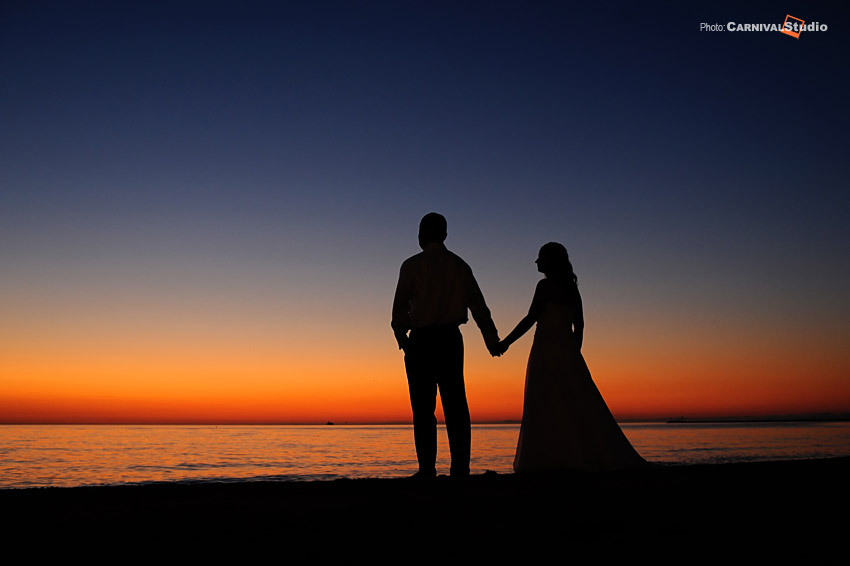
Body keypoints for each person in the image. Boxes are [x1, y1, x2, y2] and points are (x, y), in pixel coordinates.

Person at [495, 242, 646, 472]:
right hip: (568, 351)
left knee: (545, 402)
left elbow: (530, 319)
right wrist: (574, 352)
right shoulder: (572, 288)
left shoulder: (544, 286)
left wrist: (505, 342)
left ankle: (550, 459)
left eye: (540, 258)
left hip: (545, 351)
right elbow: (580, 326)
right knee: (576, 402)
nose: (536, 262)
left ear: (550, 261)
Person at [392, 212, 501, 479]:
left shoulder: (412, 265)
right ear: (444, 235)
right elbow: (479, 306)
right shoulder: (459, 265)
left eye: (420, 230)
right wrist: (491, 340)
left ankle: (427, 469)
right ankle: (460, 469)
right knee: (456, 406)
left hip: (421, 341)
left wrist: (402, 339)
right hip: (450, 341)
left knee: (422, 409)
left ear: (424, 234)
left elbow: (399, 308)